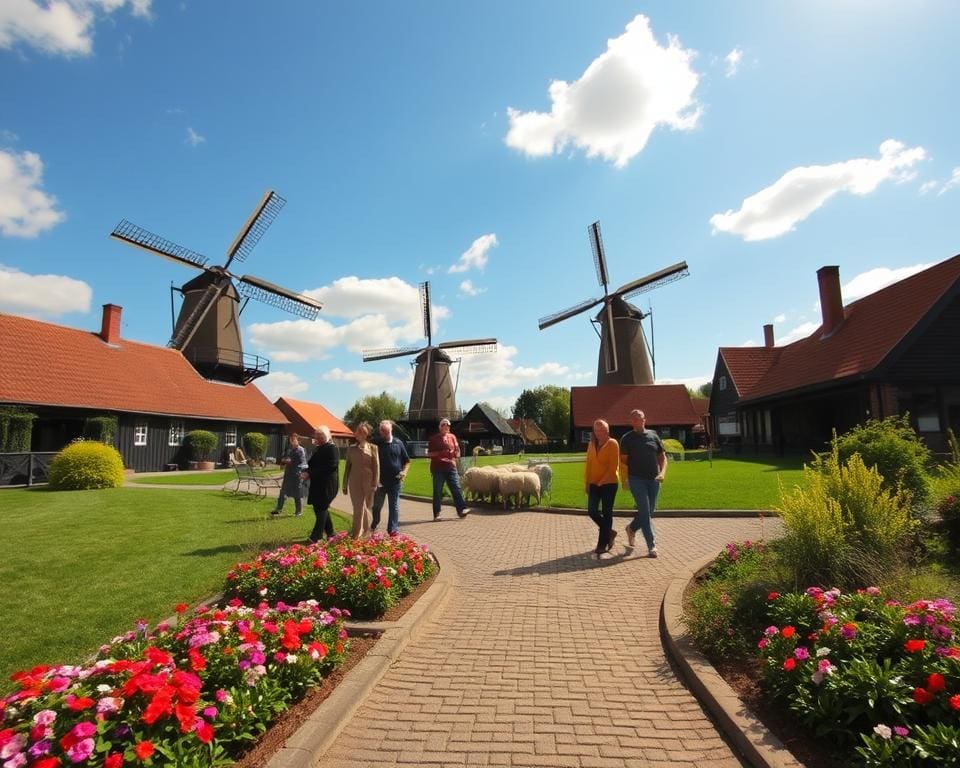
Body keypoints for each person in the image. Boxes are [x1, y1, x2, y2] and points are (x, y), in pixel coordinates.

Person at [619, 409, 667, 558]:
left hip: (654, 479)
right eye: (633, 419)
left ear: (644, 420)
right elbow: (623, 460)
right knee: (645, 512)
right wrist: (626, 478)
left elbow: (662, 457)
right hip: (636, 479)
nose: (636, 421)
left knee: (649, 511)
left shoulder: (653, 435)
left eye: (639, 418)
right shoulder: (627, 438)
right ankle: (652, 546)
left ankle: (631, 528)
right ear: (631, 422)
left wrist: (662, 473)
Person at [585, 418, 620, 558]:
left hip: (609, 483)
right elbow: (589, 465)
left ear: (607, 430)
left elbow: (613, 467)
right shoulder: (591, 444)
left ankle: (602, 544)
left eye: (602, 430)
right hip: (594, 483)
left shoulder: (613, 444)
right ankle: (609, 532)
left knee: (607, 512)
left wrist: (602, 481)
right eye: (597, 430)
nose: (599, 433)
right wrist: (587, 483)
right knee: (592, 511)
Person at [371, 420, 411, 535]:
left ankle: (392, 530)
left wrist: (404, 472)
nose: (384, 434)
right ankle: (375, 522)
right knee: (377, 507)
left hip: (395, 481)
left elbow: (407, 461)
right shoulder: (376, 443)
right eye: (382, 432)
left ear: (391, 430)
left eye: (386, 432)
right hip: (381, 482)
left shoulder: (399, 443)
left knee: (394, 507)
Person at [342, 422, 379, 538]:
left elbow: (376, 466)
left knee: (367, 507)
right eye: (356, 431)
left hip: (369, 482)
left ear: (364, 434)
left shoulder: (373, 448)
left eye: (358, 432)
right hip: (354, 481)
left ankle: (367, 532)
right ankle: (356, 534)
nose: (356, 434)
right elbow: (347, 467)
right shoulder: (351, 449)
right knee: (357, 508)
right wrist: (344, 484)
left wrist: (375, 483)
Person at [302, 426, 339, 543]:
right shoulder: (319, 448)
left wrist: (311, 473)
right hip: (318, 484)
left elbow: (331, 466)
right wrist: (306, 471)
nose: (317, 439)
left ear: (326, 436)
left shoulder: (332, 448)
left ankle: (315, 536)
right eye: (316, 437)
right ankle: (331, 533)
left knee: (322, 508)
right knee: (319, 509)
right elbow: (312, 463)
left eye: (319, 437)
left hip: (327, 485)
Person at [427, 417, 468, 521]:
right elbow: (429, 453)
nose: (446, 427)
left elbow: (457, 450)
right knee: (438, 491)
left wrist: (457, 454)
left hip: (451, 466)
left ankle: (461, 510)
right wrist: (441, 454)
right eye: (443, 425)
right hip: (438, 468)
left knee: (456, 488)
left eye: (447, 425)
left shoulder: (452, 437)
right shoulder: (433, 439)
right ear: (439, 427)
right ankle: (437, 514)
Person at [271, 434, 307, 517]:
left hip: (296, 475)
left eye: (294, 440)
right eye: (291, 440)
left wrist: (290, 462)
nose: (292, 441)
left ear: (298, 440)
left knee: (297, 494)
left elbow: (302, 463)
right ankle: (278, 509)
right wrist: (284, 461)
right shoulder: (289, 450)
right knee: (283, 492)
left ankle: (298, 512)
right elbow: (283, 459)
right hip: (288, 474)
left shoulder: (300, 450)